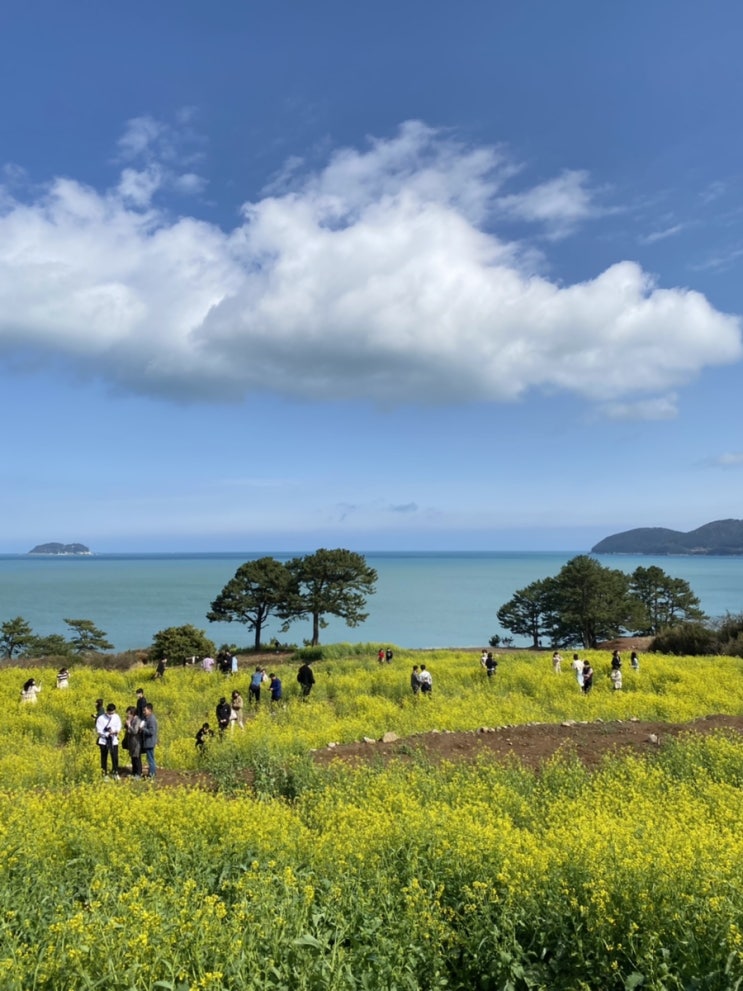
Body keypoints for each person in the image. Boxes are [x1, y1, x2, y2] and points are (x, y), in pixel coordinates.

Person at [96, 702, 122, 778]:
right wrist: (107, 734)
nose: (111, 715)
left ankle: (115, 772)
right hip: (104, 741)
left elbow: (119, 725)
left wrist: (116, 731)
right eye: (109, 713)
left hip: (114, 740)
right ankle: (104, 774)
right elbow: (99, 730)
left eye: (112, 713)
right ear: (106, 711)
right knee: (104, 758)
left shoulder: (116, 717)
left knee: (115, 757)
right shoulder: (101, 718)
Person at [140, 703, 158, 779]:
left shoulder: (151, 719)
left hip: (150, 742)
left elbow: (151, 732)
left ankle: (152, 775)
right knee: (150, 758)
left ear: (150, 710)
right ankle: (151, 773)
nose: (143, 712)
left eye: (145, 710)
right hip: (148, 742)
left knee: (150, 759)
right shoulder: (147, 718)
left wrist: (142, 729)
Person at [124, 705, 143, 778]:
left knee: (137, 758)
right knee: (133, 758)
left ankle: (138, 774)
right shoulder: (130, 720)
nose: (128, 715)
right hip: (131, 742)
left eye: (129, 713)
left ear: (133, 713)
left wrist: (129, 725)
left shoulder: (137, 720)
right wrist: (126, 725)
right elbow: (127, 729)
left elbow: (135, 731)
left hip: (136, 742)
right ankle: (134, 773)